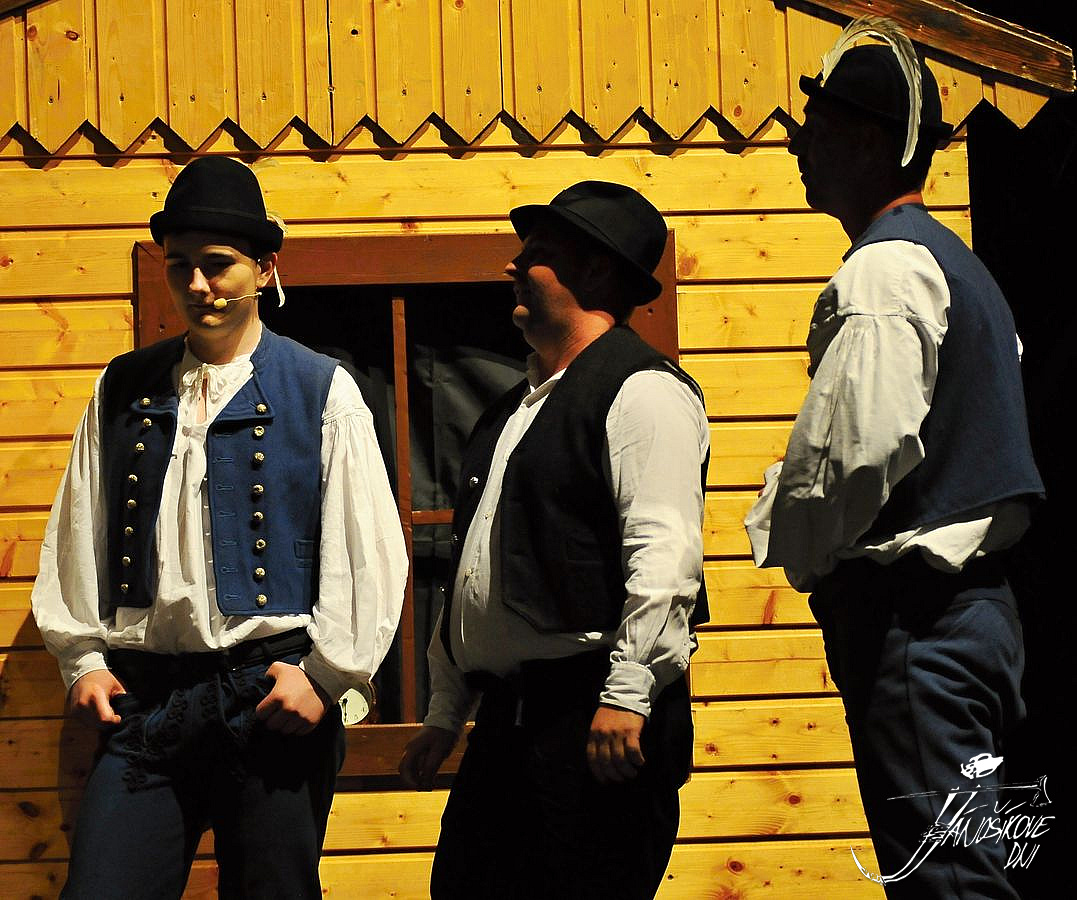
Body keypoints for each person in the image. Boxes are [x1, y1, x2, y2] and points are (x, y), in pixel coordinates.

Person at [31, 156, 408, 899]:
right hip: (145, 699)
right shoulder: (122, 387)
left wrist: (327, 675)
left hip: (268, 697)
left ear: (264, 269)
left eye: (218, 264)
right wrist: (83, 659)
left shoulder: (321, 388)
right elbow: (78, 529)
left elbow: (367, 548)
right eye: (181, 266)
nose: (199, 285)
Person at [744, 21, 1045, 900]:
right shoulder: (959, 268)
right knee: (962, 871)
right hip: (970, 618)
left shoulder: (883, 273)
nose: (799, 146)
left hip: (918, 622)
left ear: (871, 144)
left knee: (947, 885)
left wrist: (802, 550)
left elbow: (850, 455)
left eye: (818, 128)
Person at [398, 181, 710, 899]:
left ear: (595, 271)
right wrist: (446, 712)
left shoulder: (643, 391)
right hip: (510, 724)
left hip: (593, 721)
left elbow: (663, 556)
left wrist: (627, 695)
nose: (513, 266)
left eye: (536, 254)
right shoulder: (516, 408)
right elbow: (476, 571)